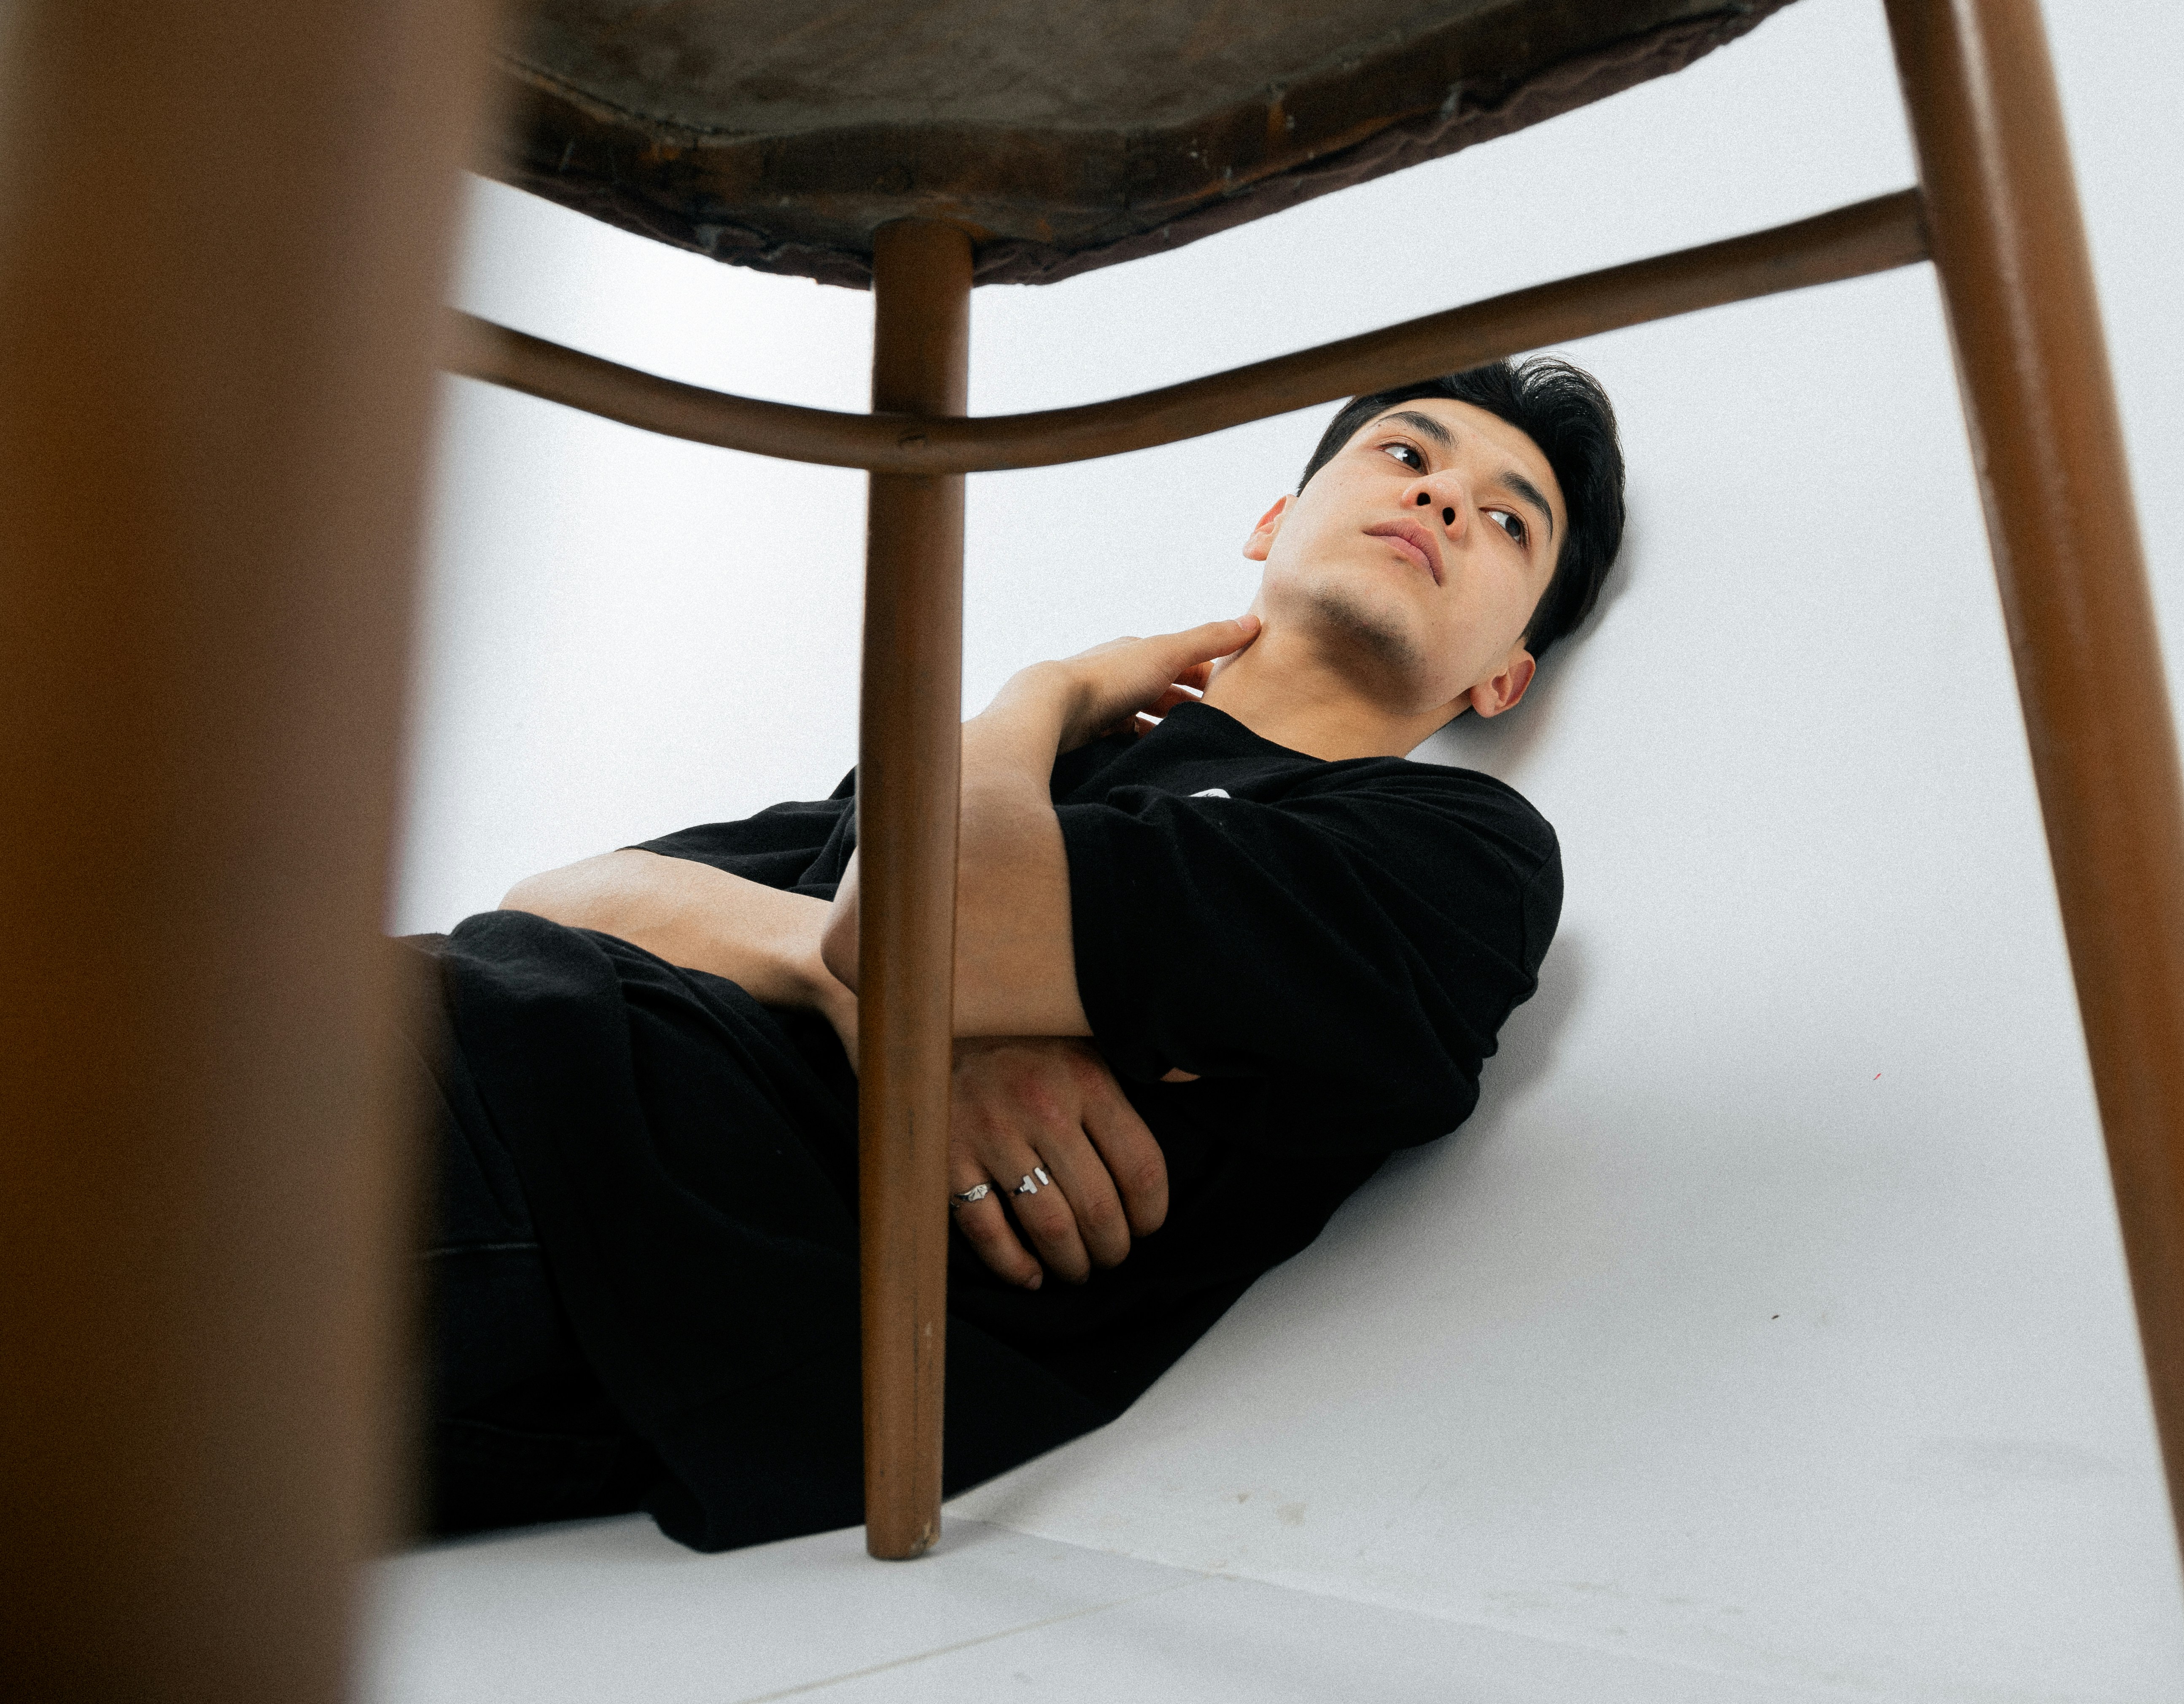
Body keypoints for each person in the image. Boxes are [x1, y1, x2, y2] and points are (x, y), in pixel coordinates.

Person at [409, 356, 1627, 1551]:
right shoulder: (999, 776)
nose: (1443, 498)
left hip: (624, 1243)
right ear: (1273, 522)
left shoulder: (1455, 856)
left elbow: (920, 917)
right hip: (492, 1061)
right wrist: (912, 1017)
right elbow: (559, 898)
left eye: (1510, 522)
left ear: (1506, 676)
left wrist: (1036, 696)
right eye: (1406, 454)